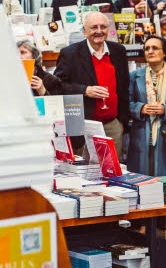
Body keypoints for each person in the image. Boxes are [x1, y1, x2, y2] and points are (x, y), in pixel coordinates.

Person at [54, 11, 130, 159]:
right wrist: (85, 90)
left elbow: (124, 87)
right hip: (83, 125)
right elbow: (58, 86)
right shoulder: (70, 54)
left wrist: (122, 121)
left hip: (113, 125)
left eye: (103, 27)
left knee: (113, 170)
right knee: (85, 171)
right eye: (94, 27)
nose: (99, 31)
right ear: (84, 31)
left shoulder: (118, 51)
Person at [127, 35, 166, 186]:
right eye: (147, 48)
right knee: (141, 185)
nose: (150, 51)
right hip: (141, 136)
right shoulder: (134, 76)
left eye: (155, 48)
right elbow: (125, 105)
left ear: (164, 53)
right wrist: (140, 108)